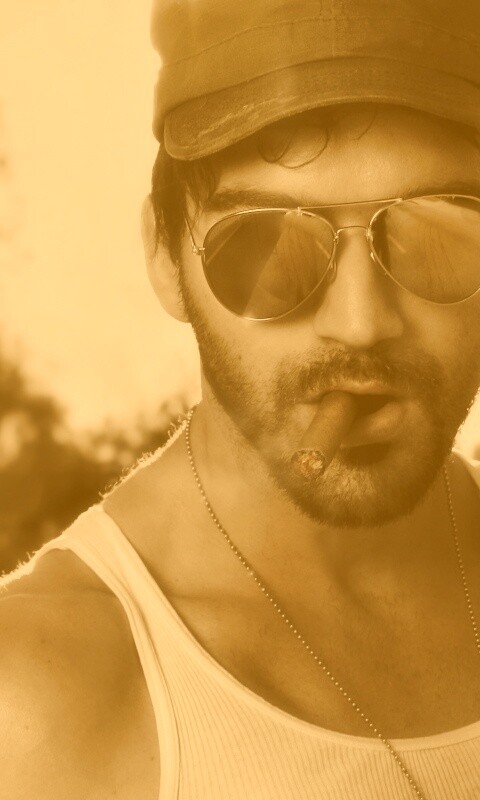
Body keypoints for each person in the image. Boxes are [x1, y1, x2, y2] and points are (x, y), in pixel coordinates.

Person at [2, 1, 480, 798]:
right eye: (268, 244)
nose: (361, 323)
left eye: (437, 233)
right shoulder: (40, 701)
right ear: (166, 256)